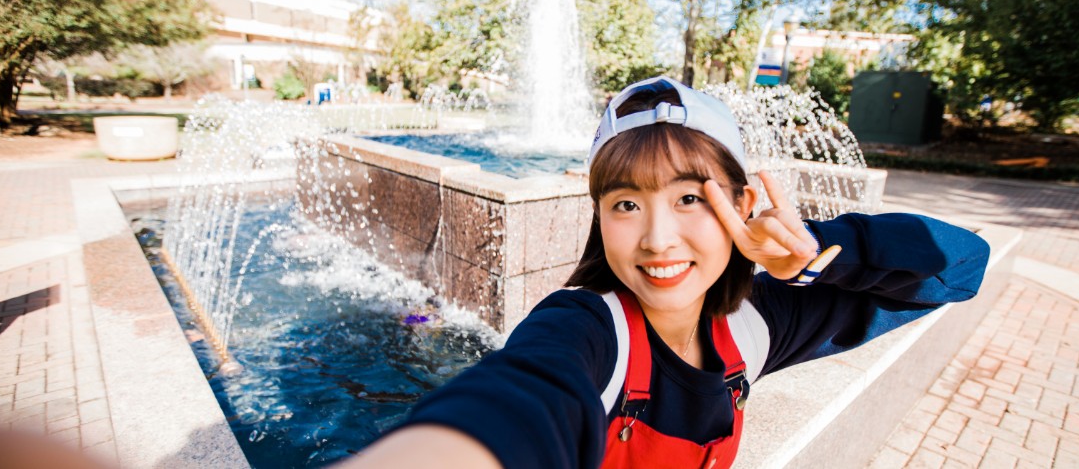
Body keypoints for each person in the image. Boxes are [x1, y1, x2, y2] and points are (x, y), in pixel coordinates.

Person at [343, 76, 990, 469]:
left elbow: (961, 266)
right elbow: (518, 400)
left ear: (741, 205)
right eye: (627, 203)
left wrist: (823, 249)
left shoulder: (759, 323)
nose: (657, 239)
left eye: (689, 198)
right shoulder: (589, 329)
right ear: (600, 216)